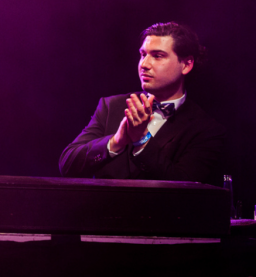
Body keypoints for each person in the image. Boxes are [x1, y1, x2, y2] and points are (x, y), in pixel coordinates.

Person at [59, 22, 225, 186]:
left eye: (157, 56)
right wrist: (116, 141)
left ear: (186, 65)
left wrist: (142, 140)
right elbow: (67, 164)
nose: (144, 64)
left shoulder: (205, 129)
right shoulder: (111, 106)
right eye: (143, 54)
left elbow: (183, 189)